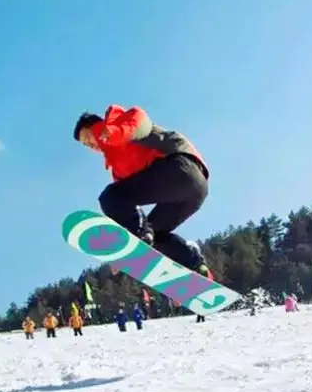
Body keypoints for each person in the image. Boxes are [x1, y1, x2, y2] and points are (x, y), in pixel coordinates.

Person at [74, 104, 211, 275]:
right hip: (194, 193)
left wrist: (116, 131)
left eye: (88, 137)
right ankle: (195, 265)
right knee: (155, 233)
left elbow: (140, 124)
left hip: (181, 167)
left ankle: (141, 238)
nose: (90, 145)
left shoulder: (120, 120)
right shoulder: (117, 168)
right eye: (86, 145)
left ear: (96, 126)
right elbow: (124, 209)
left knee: (109, 197)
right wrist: (121, 253)